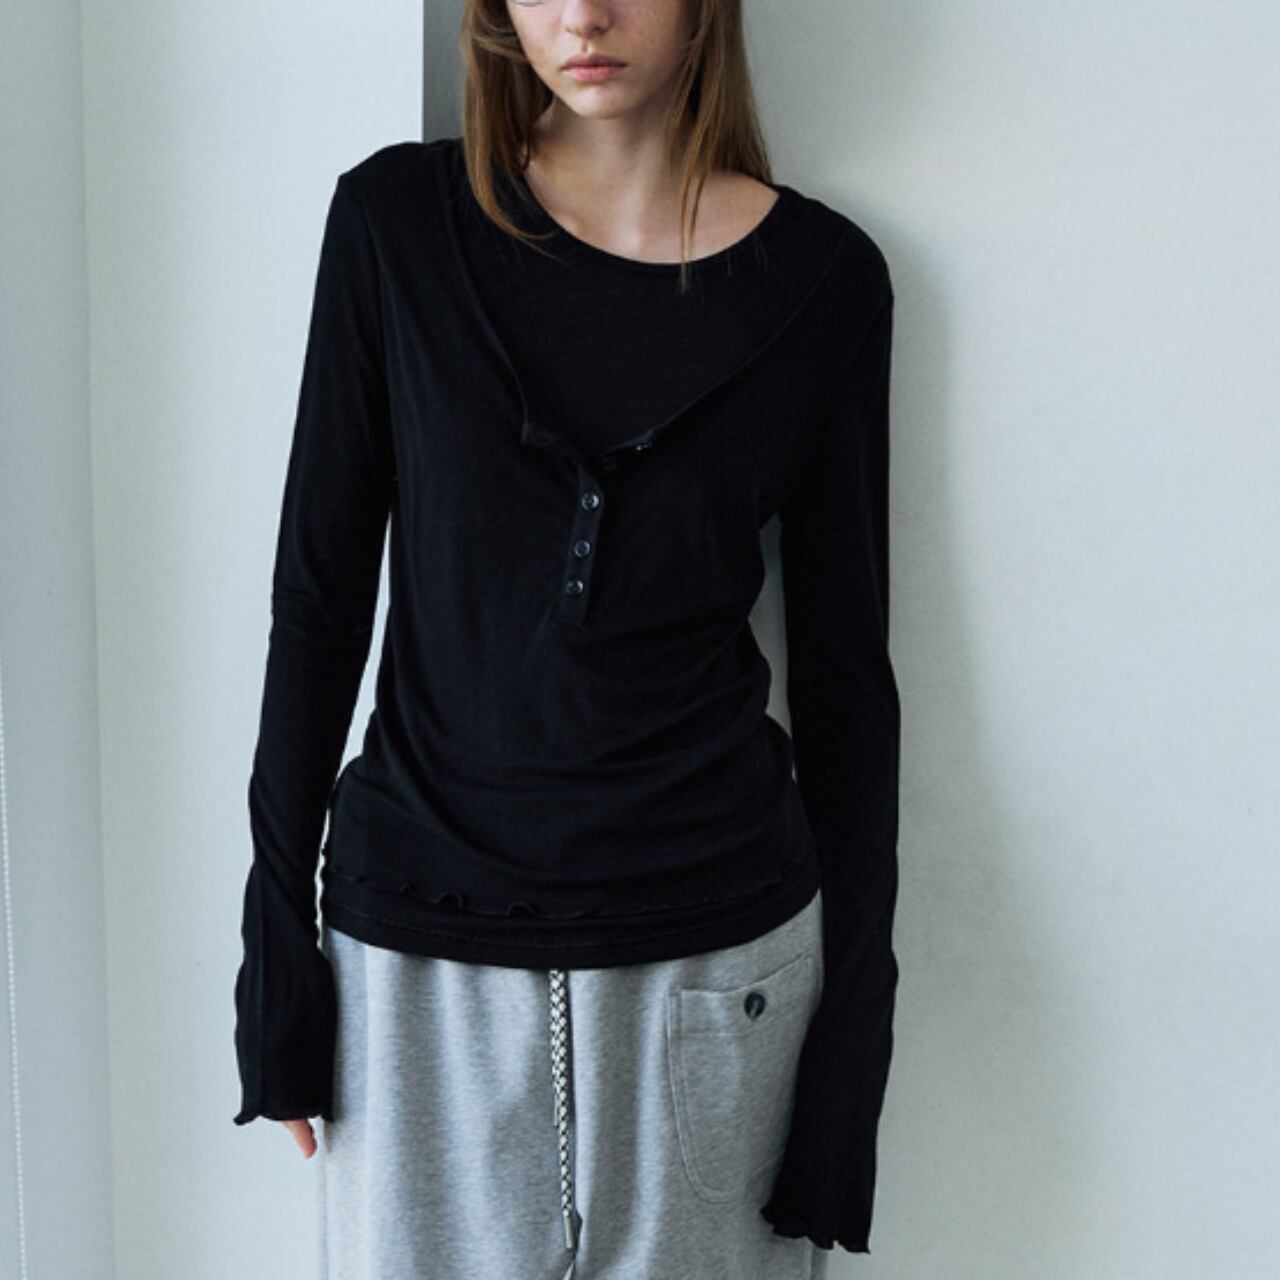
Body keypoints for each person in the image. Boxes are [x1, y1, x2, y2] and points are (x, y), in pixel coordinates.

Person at [231, 1, 901, 1276]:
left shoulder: (823, 282)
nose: (582, 14)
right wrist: (275, 952)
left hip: (720, 964)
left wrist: (851, 1047)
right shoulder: (393, 227)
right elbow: (317, 602)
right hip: (413, 955)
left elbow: (846, 678)